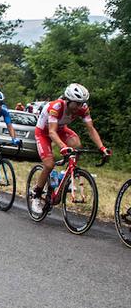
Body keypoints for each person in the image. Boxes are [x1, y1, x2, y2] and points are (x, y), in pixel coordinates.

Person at [30, 83, 111, 215]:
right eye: (77, 103)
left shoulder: (83, 108)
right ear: (68, 100)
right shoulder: (56, 106)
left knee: (77, 145)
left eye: (82, 103)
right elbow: (51, 132)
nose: (80, 107)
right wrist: (63, 147)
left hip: (61, 129)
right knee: (49, 164)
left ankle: (67, 173)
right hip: (44, 132)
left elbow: (91, 128)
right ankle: (36, 194)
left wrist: (102, 148)